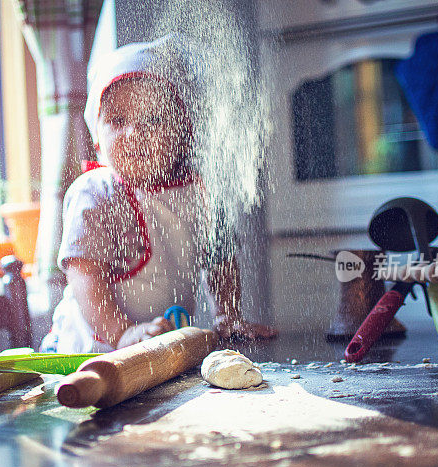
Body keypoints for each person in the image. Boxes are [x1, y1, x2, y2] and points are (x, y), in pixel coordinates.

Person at [41, 35, 276, 354]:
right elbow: (84, 276)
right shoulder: (95, 193)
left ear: (184, 132)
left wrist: (226, 314)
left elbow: (220, 260)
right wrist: (122, 333)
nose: (134, 133)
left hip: (161, 348)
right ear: (97, 138)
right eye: (117, 120)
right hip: (92, 350)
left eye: (152, 119)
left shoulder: (201, 192)